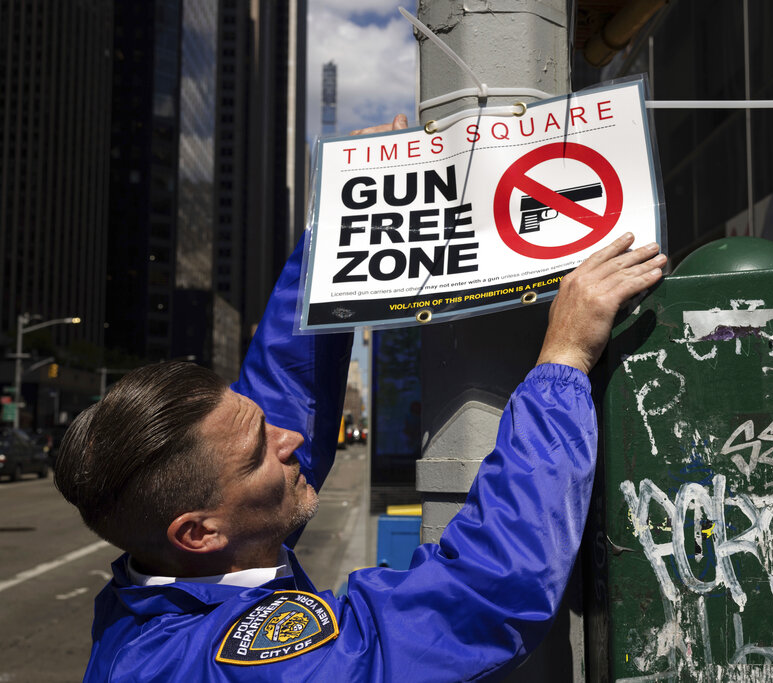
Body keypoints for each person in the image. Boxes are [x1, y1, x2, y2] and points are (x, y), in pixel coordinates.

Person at [54, 144, 667, 679]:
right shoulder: (227, 666)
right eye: (257, 453)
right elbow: (482, 594)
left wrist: (347, 219)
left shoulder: (177, 577)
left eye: (262, 426)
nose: (290, 438)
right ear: (199, 532)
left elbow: (282, 390)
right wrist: (562, 362)